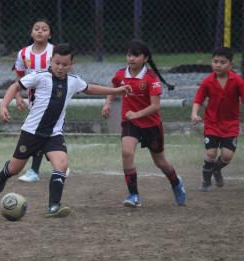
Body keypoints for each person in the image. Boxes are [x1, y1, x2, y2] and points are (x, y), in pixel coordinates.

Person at [0, 44, 131, 218]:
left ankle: (54, 206)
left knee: (62, 164)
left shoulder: (73, 81)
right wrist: (3, 105)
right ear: (51, 60)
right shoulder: (39, 76)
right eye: (57, 63)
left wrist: (116, 91)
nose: (60, 67)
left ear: (71, 64)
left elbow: (90, 88)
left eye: (65, 64)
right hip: (31, 132)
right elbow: (15, 87)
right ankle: (4, 174)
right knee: (15, 168)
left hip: (54, 134)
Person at [101, 39, 186, 208]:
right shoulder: (120, 74)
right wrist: (108, 103)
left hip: (151, 125)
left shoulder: (150, 78)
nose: (131, 58)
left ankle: (176, 183)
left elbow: (155, 106)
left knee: (161, 162)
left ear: (145, 58)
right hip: (130, 123)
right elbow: (114, 86)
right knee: (126, 152)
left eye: (136, 55)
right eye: (129, 54)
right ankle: (133, 195)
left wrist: (137, 114)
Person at [191, 47, 244, 191]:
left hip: (231, 124)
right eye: (215, 62)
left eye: (223, 62)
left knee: (227, 156)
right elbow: (198, 99)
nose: (218, 65)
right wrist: (194, 113)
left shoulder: (237, 81)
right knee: (211, 153)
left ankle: (215, 170)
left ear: (231, 65)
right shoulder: (207, 82)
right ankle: (206, 180)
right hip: (212, 123)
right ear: (211, 63)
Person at [13, 19, 55, 183]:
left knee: (43, 133)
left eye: (44, 29)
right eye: (36, 28)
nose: (40, 31)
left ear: (49, 34)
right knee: (41, 133)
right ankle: (53, 163)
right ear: (31, 33)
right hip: (34, 100)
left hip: (54, 99)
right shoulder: (23, 53)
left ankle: (35, 170)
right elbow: (19, 76)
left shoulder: (55, 51)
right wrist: (18, 96)